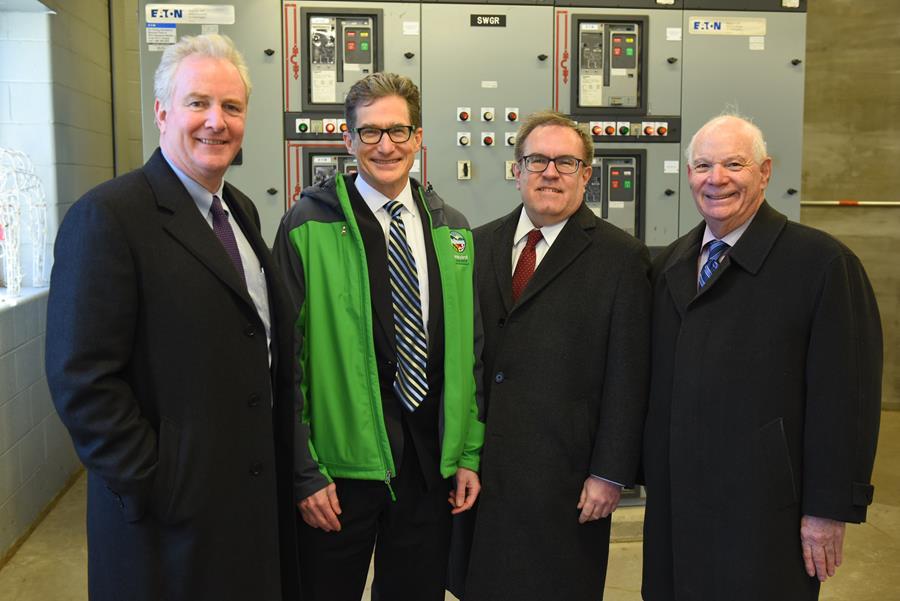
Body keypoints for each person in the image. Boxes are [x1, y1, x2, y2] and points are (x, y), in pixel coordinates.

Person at [44, 34, 299, 601]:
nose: (216, 121)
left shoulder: (239, 210)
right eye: (197, 103)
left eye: (232, 107)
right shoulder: (110, 217)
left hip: (246, 504)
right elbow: (81, 379)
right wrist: (156, 480)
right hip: (167, 522)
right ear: (162, 112)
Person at [641, 114, 883, 601]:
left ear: (765, 171)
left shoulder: (823, 266)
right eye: (703, 165)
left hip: (766, 514)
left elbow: (846, 400)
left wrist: (828, 509)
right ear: (688, 175)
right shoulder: (670, 264)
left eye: (735, 164)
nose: (717, 179)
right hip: (676, 508)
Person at [272, 72, 484, 601]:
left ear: (418, 138)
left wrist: (467, 454)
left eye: (398, 130)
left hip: (428, 465)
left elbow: (470, 353)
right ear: (348, 141)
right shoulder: (307, 224)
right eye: (369, 132)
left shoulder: (451, 227)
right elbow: (283, 361)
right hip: (339, 471)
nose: (385, 145)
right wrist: (304, 472)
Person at [462, 110, 651, 601]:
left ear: (587, 174)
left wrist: (610, 472)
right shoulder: (476, 246)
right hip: (485, 469)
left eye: (566, 162)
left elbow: (628, 375)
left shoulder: (621, 258)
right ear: (516, 169)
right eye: (537, 160)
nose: (550, 173)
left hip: (567, 479)